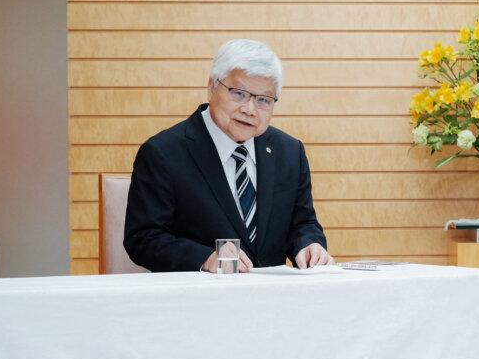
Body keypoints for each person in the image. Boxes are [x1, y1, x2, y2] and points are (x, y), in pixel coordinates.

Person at [124, 39, 332, 272]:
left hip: (273, 300)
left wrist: (309, 245)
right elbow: (143, 238)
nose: (249, 109)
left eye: (263, 99)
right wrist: (205, 258)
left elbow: (303, 223)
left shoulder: (290, 152)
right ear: (212, 86)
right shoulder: (163, 153)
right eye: (239, 94)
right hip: (199, 299)